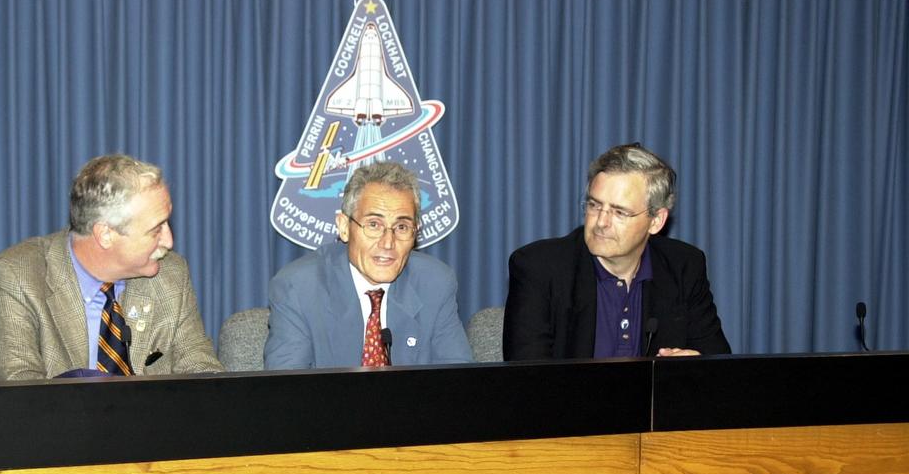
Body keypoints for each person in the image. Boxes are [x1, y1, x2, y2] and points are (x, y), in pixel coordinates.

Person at [0, 154, 221, 379]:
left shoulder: (171, 274)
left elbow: (203, 375)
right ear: (105, 234)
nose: (169, 242)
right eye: (155, 230)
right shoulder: (14, 278)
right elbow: (23, 400)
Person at [503, 142, 731, 360]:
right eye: (594, 205)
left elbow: (717, 360)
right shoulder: (538, 268)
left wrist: (697, 363)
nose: (601, 222)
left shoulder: (684, 266)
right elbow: (529, 379)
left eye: (620, 212)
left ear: (657, 221)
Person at [264, 161, 473, 369]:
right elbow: (286, 394)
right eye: (374, 225)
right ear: (344, 227)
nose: (388, 242)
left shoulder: (435, 284)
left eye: (401, 227)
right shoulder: (299, 288)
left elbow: (457, 385)